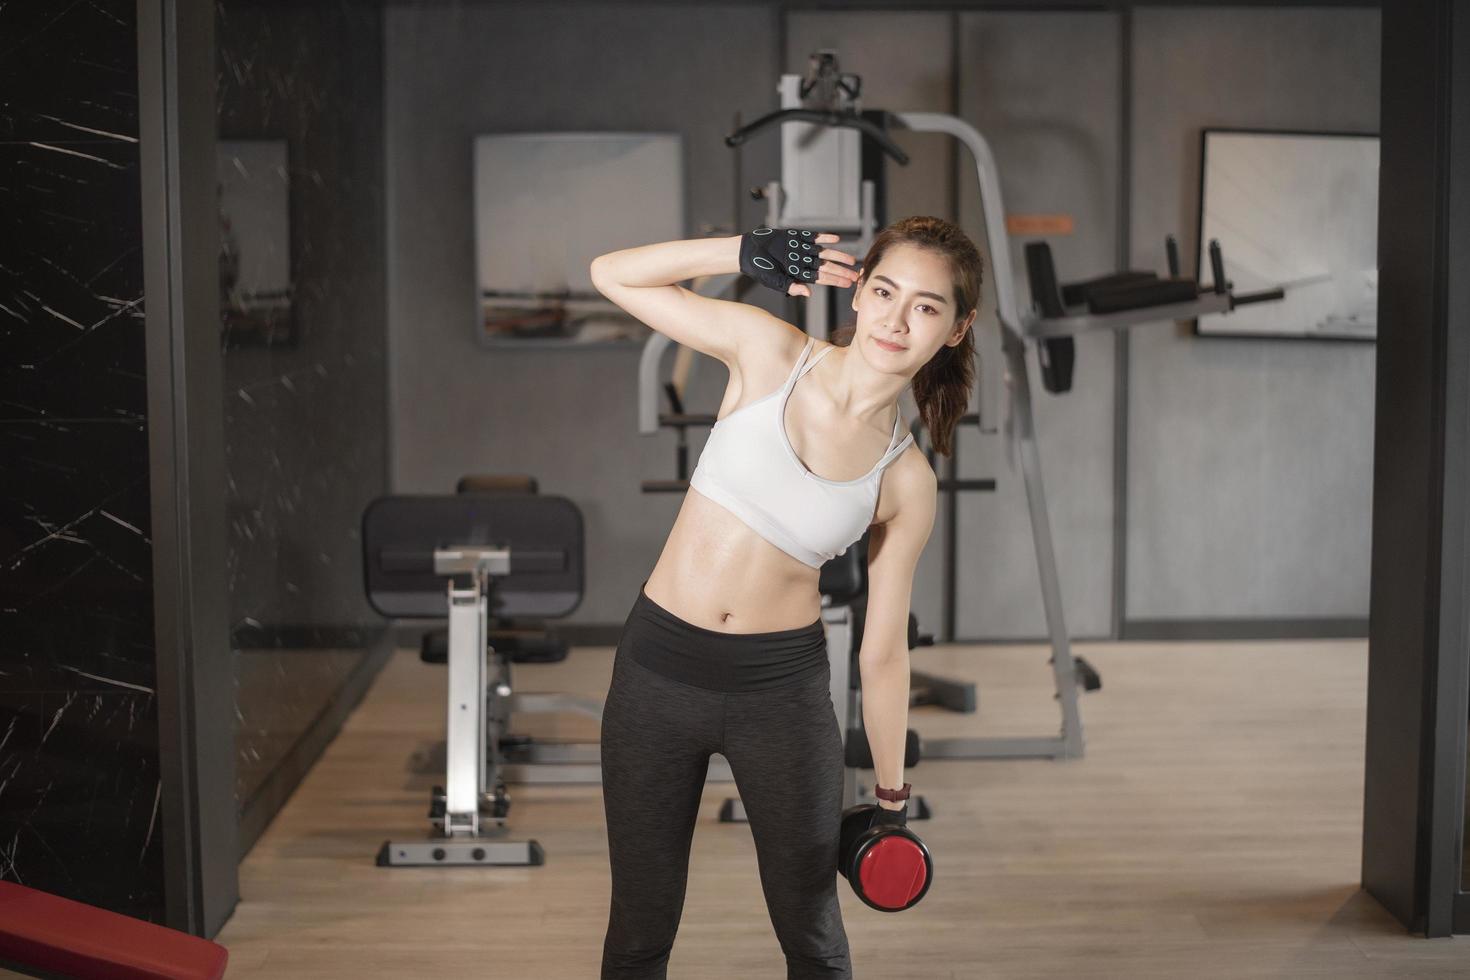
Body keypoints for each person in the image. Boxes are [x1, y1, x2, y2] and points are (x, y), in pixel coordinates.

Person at [588, 216, 981, 979]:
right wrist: (739, 252)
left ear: (957, 328)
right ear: (858, 293)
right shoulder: (769, 352)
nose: (898, 320)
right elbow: (611, 271)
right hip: (656, 675)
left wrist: (893, 797)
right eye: (886, 291)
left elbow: (884, 650)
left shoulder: (906, 481)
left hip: (782, 696)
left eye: (927, 307)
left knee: (814, 937)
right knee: (639, 931)